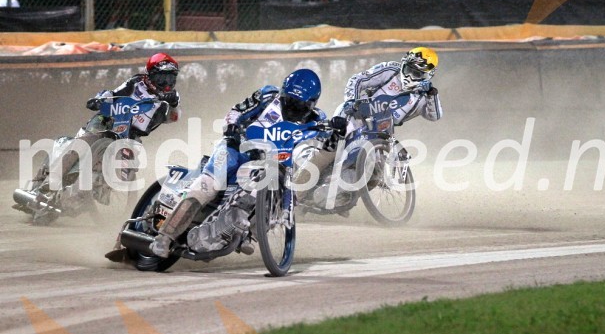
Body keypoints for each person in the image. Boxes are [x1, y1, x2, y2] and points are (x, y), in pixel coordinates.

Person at [149, 69, 331, 258]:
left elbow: (326, 140)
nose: (293, 108)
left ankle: (248, 234)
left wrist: (338, 128)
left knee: (276, 196)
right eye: (289, 100)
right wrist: (232, 128)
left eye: (300, 105)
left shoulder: (318, 119)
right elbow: (236, 111)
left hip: (271, 164)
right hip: (235, 149)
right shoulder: (267, 96)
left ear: (312, 103)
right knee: (208, 186)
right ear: (283, 92)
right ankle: (164, 237)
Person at [293, 47, 443, 196]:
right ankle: (295, 194)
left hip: (380, 132)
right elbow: (358, 80)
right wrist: (352, 101)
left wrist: (432, 95)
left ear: (428, 75)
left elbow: (434, 116)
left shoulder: (423, 97)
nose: (410, 75)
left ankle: (338, 198)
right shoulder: (390, 70)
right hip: (356, 116)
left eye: (416, 73)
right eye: (408, 69)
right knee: (329, 150)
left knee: (374, 175)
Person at [36, 53, 181, 197]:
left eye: (171, 79)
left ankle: (97, 188)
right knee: (83, 143)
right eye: (162, 79)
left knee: (132, 162)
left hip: (132, 135)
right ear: (149, 75)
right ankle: (51, 180)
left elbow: (174, 118)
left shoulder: (172, 97)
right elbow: (113, 93)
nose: (167, 84)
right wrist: (98, 99)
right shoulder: (136, 83)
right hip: (108, 122)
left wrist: (174, 104)